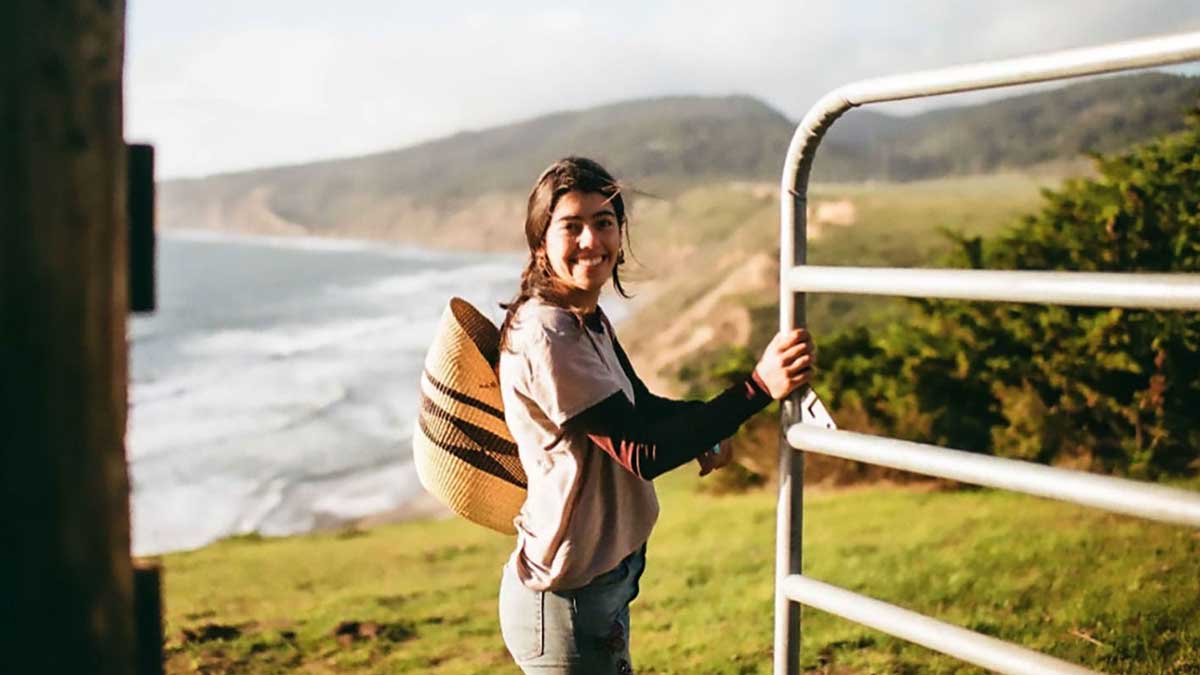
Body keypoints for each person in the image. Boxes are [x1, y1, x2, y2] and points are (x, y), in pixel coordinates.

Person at [496, 157, 815, 674]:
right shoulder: (548, 334)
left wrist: (706, 431)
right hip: (565, 603)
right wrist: (757, 389)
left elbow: (640, 410)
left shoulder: (585, 320)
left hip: (599, 587)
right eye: (571, 226)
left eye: (604, 222)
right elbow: (641, 452)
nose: (591, 241)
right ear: (540, 243)